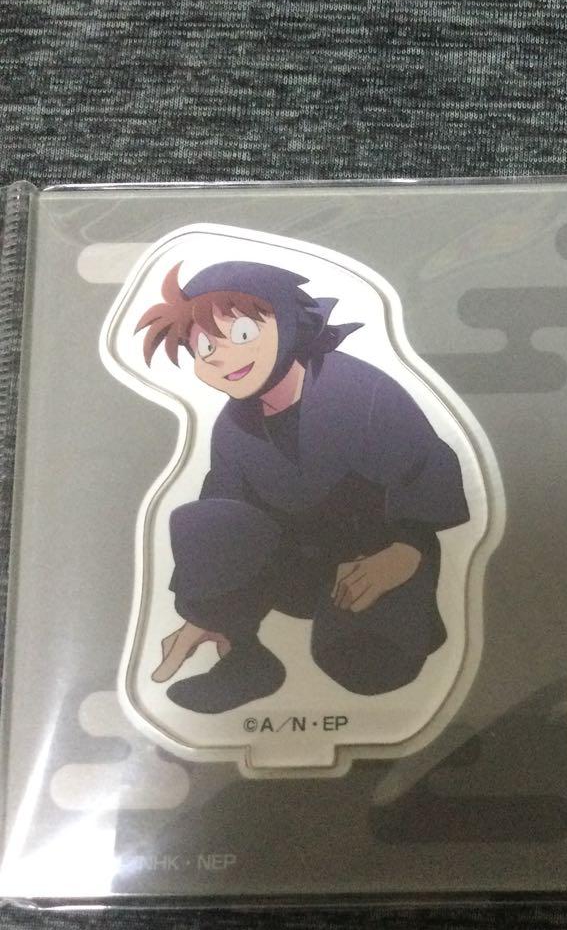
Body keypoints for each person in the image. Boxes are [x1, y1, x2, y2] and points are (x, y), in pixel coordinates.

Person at [136, 260, 469, 714]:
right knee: (206, 518)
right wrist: (207, 611)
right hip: (295, 564)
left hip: (372, 559)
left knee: (368, 666)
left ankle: (399, 622)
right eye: (204, 347)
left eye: (242, 334)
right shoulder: (233, 426)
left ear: (290, 324)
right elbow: (222, 514)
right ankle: (245, 659)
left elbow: (426, 468)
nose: (218, 357)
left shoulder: (358, 388)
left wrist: (404, 553)